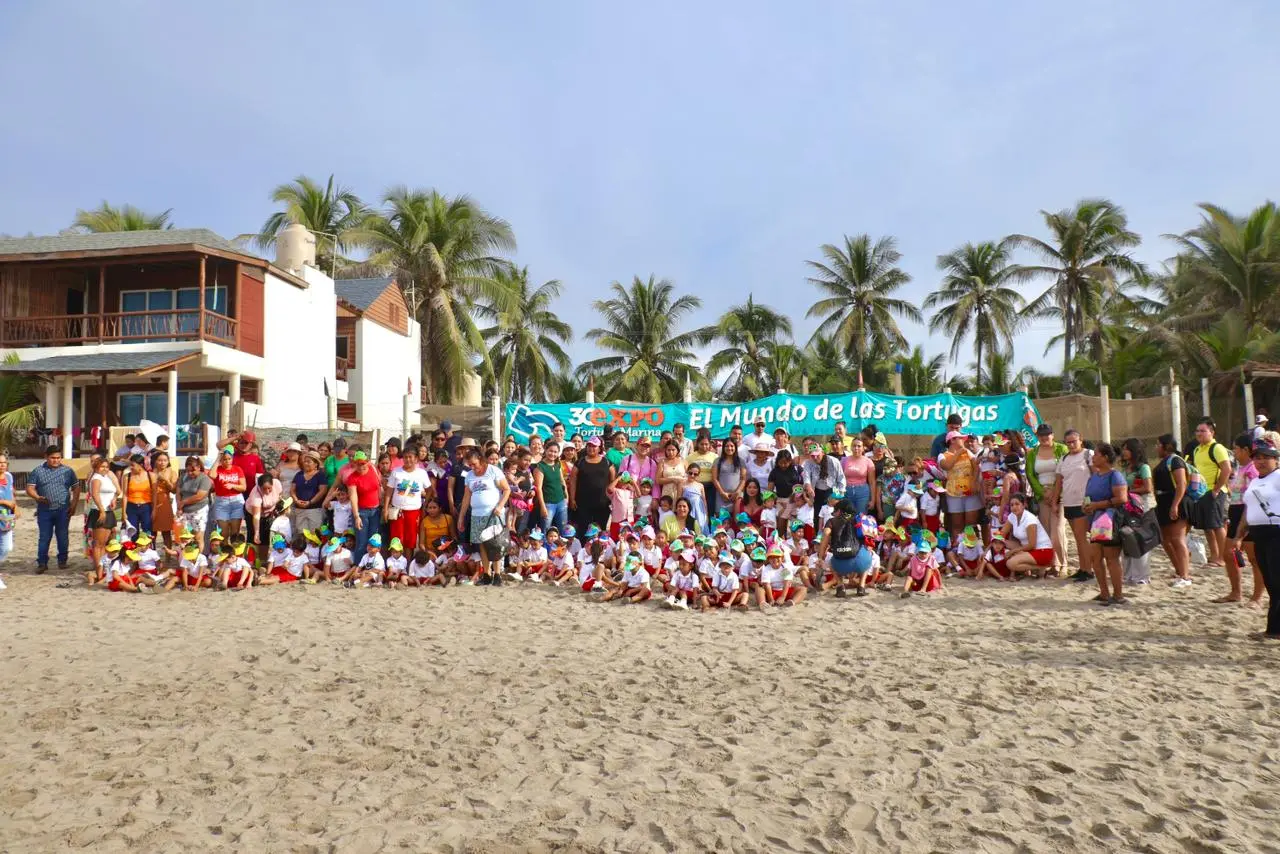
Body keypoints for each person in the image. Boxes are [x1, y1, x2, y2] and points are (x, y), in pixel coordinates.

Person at [1234, 439, 1280, 639]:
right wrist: (1239, 534)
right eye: (1257, 458)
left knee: (1278, 581)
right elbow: (1248, 509)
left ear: (1276, 460)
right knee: (1270, 582)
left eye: (1266, 458)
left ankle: (1275, 630)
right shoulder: (1255, 480)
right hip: (1258, 535)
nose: (1260, 461)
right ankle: (1274, 629)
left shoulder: (1278, 477)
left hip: (1276, 533)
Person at [1082, 442, 1129, 606]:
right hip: (1095, 521)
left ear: (1106, 457)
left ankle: (1118, 595)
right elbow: (1089, 497)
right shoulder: (1094, 476)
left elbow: (1122, 498)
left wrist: (1097, 505)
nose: (1093, 457)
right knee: (1095, 558)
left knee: (1111, 559)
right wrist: (1087, 506)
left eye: (1096, 454)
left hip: (1110, 520)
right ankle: (1104, 593)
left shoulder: (1114, 475)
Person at [458, 446, 512, 584]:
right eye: (469, 465)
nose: (472, 467)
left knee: (495, 544)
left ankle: (498, 574)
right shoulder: (469, 476)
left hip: (493, 513)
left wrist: (500, 506)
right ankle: (487, 574)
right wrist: (461, 517)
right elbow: (466, 497)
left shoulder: (493, 471)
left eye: (474, 464)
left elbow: (506, 490)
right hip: (476, 514)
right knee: (481, 544)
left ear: (481, 460)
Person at [1223, 433, 1263, 606]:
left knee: (1254, 559)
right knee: (1228, 553)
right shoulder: (1241, 467)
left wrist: (1244, 522)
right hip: (1235, 511)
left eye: (1236, 449)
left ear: (1246, 450)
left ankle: (1256, 597)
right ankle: (1235, 592)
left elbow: (1254, 496)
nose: (1234, 452)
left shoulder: (1252, 469)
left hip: (1247, 513)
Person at [1048, 429, 1094, 582]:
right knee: (1077, 537)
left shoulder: (1089, 455)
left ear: (1081, 439)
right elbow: (1059, 482)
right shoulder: (1064, 459)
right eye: (1068, 442)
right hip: (1068, 502)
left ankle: (1088, 569)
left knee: (1081, 538)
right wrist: (1055, 502)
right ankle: (1084, 568)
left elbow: (1096, 475)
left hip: (1084, 501)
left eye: (1074, 441)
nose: (1071, 444)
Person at [26, 445, 80, 573]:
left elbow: (76, 488)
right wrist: (37, 497)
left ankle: (62, 561)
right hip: (44, 510)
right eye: (52, 458)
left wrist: (74, 504)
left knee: (62, 536)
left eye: (58, 458)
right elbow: (29, 488)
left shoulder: (68, 471)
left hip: (63, 509)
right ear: (46, 457)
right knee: (44, 537)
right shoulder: (37, 471)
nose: (56, 460)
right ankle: (42, 563)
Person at [1191, 418, 1233, 567]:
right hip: (1201, 493)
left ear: (1212, 432)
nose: (1199, 433)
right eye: (1197, 431)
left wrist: (1216, 489)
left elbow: (1227, 469)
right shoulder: (1197, 449)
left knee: (1217, 525)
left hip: (1215, 492)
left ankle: (1222, 557)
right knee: (1207, 526)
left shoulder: (1217, 448)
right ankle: (1214, 555)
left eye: (1203, 431)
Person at [1152, 433, 1193, 587]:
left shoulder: (1175, 460)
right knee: (1165, 539)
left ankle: (1185, 576)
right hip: (1163, 503)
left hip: (1176, 502)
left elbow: (1181, 483)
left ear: (1166, 446)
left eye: (1158, 444)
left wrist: (1175, 505)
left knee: (1178, 538)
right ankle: (1179, 570)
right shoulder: (1165, 461)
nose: (1156, 447)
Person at [1027, 424, 1068, 574]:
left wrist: (1055, 492)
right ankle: (1054, 563)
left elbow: (1065, 471)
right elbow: (1030, 475)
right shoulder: (1032, 453)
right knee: (1045, 530)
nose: (1044, 437)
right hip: (1042, 494)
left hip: (1061, 494)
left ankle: (1064, 563)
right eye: (1041, 435)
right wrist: (1042, 492)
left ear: (1053, 434)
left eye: (1047, 434)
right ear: (1037, 436)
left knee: (1057, 531)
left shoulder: (1062, 449)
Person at [818, 498, 873, 597]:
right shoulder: (859, 519)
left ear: (839, 511)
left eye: (835, 511)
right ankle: (861, 587)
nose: (834, 514)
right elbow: (870, 535)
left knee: (831, 561)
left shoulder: (831, 521)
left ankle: (840, 587)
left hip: (840, 565)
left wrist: (821, 557)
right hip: (860, 562)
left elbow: (825, 535)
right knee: (868, 555)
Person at [1118, 438, 1154, 585]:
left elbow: (1148, 488)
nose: (1124, 452)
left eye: (1127, 449)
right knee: (1126, 538)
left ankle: (1141, 575)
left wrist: (1128, 491)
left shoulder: (1143, 468)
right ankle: (1128, 574)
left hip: (1139, 506)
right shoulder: (1125, 468)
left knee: (1139, 539)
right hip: (1126, 507)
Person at [383, 446, 431, 552]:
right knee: (396, 540)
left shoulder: (421, 473)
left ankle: (408, 565)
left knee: (410, 540)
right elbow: (389, 492)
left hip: (413, 512)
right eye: (405, 457)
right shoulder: (396, 472)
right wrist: (385, 509)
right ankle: (396, 565)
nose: (408, 460)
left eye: (410, 457)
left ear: (416, 459)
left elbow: (429, 490)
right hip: (397, 511)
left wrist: (424, 506)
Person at [939, 430, 980, 540]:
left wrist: (974, 481)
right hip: (953, 494)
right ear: (952, 440)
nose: (963, 440)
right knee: (957, 525)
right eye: (960, 438)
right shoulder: (942, 455)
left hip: (970, 492)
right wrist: (959, 452)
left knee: (970, 524)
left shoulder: (967, 452)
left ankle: (970, 549)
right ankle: (957, 548)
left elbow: (976, 466)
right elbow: (947, 466)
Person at [1002, 493, 1055, 578]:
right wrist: (989, 548)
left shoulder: (1029, 519)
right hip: (1029, 549)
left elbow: (1032, 545)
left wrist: (1012, 551)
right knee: (1003, 542)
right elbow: (1001, 534)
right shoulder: (1012, 515)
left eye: (1017, 504)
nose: (1014, 507)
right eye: (1011, 505)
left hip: (1042, 551)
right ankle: (1027, 569)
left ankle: (1041, 567)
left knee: (1010, 563)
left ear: (1024, 505)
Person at [342, 450, 383, 556]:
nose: (360, 467)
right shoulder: (352, 478)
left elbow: (379, 486)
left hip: (375, 510)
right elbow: (353, 497)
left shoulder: (373, 469)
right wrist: (356, 516)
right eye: (357, 464)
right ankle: (358, 568)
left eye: (363, 464)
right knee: (362, 542)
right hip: (362, 511)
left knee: (374, 541)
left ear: (367, 462)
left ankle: (371, 567)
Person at [570, 436, 614, 533]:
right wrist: (572, 499)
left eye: (594, 446)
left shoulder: (607, 462)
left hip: (603, 504)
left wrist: (612, 499)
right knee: (583, 530)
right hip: (583, 504)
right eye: (589, 446)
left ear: (599, 448)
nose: (591, 448)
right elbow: (573, 481)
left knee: (601, 530)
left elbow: (612, 481)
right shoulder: (580, 462)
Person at [85, 456, 119, 570]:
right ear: (96, 467)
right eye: (102, 467)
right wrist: (102, 510)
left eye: (106, 467)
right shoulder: (96, 478)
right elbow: (95, 495)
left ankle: (102, 566)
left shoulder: (106, 477)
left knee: (104, 543)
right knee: (98, 544)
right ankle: (98, 568)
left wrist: (114, 499)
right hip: (100, 511)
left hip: (108, 510)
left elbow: (116, 491)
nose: (104, 469)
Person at [210, 446, 248, 539]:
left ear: (232, 458)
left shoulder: (237, 469)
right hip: (221, 502)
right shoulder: (218, 469)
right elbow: (211, 475)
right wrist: (218, 457)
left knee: (235, 533)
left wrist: (233, 485)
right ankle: (225, 552)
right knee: (223, 533)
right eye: (224, 459)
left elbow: (243, 487)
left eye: (229, 459)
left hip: (236, 501)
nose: (227, 461)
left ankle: (234, 552)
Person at [534, 441, 569, 534]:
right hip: (548, 504)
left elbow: (562, 481)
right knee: (546, 530)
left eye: (555, 452)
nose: (552, 454)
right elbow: (539, 488)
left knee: (563, 529)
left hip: (561, 501)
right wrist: (542, 507)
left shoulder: (558, 464)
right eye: (550, 451)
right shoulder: (540, 467)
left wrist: (567, 496)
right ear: (545, 450)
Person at [291, 450, 329, 534]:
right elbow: (292, 489)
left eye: (309, 462)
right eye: (305, 461)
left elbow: (322, 491)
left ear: (316, 464)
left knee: (315, 533)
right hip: (299, 509)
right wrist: (296, 500)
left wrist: (310, 502)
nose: (306, 463)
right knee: (301, 533)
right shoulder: (299, 474)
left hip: (315, 509)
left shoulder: (320, 475)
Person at [176, 456, 212, 543]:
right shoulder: (183, 477)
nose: (190, 473)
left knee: (198, 537)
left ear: (199, 467)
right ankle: (187, 555)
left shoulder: (204, 479)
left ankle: (199, 556)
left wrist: (184, 502)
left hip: (199, 510)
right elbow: (178, 492)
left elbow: (200, 495)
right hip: (185, 510)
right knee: (186, 537)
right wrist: (179, 507)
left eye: (192, 471)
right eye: (187, 471)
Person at [801, 438, 845, 508]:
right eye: (812, 455)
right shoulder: (807, 463)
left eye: (817, 455)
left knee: (832, 514)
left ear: (822, 453)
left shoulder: (834, 461)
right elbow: (806, 478)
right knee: (818, 515)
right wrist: (808, 487)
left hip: (833, 490)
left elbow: (841, 479)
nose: (815, 458)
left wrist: (839, 496)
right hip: (817, 492)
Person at [121, 454, 155, 536]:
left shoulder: (151, 476)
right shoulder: (127, 476)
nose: (131, 467)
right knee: (132, 533)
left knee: (147, 532)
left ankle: (149, 548)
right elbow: (125, 495)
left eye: (133, 465)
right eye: (130, 465)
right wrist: (123, 512)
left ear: (141, 465)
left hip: (146, 507)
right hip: (131, 506)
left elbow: (154, 495)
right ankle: (132, 548)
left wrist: (154, 510)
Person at [150, 451, 178, 549]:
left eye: (165, 460)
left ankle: (168, 555)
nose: (162, 463)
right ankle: (151, 554)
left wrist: (165, 480)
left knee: (166, 532)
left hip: (164, 502)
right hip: (151, 501)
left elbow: (174, 490)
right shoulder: (151, 472)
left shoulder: (172, 472)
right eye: (160, 460)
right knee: (151, 531)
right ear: (156, 461)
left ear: (168, 462)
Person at [841, 437, 875, 515]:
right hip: (847, 492)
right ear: (851, 447)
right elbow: (839, 479)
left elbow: (872, 482)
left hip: (862, 493)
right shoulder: (844, 461)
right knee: (848, 518)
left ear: (863, 448)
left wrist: (873, 500)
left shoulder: (868, 462)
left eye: (859, 446)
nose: (856, 448)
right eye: (854, 446)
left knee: (861, 518)